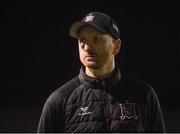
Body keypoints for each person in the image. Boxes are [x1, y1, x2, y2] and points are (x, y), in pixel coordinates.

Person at [37, 11, 166, 133]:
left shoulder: (144, 95)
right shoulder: (58, 101)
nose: (86, 47)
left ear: (116, 46)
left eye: (96, 39)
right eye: (82, 40)